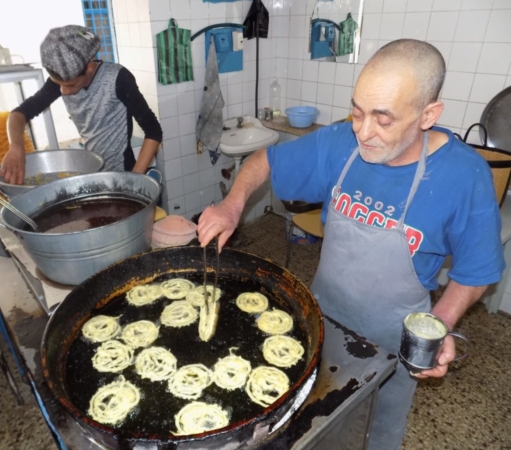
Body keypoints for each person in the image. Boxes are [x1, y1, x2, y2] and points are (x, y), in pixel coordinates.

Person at [197, 39, 504, 449]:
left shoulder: (465, 177)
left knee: (377, 430)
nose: (363, 131)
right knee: (312, 424)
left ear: (428, 115)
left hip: (393, 346)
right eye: (357, 111)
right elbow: (265, 161)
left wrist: (439, 326)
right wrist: (233, 204)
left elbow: (476, 271)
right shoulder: (340, 143)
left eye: (383, 119)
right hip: (321, 322)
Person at [0, 25, 162, 184]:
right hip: (92, 171)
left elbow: (153, 130)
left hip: (121, 173)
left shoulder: (117, 78)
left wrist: (135, 180)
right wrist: (16, 147)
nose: (63, 91)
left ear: (90, 68)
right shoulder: (64, 78)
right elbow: (19, 114)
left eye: (70, 85)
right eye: (58, 84)